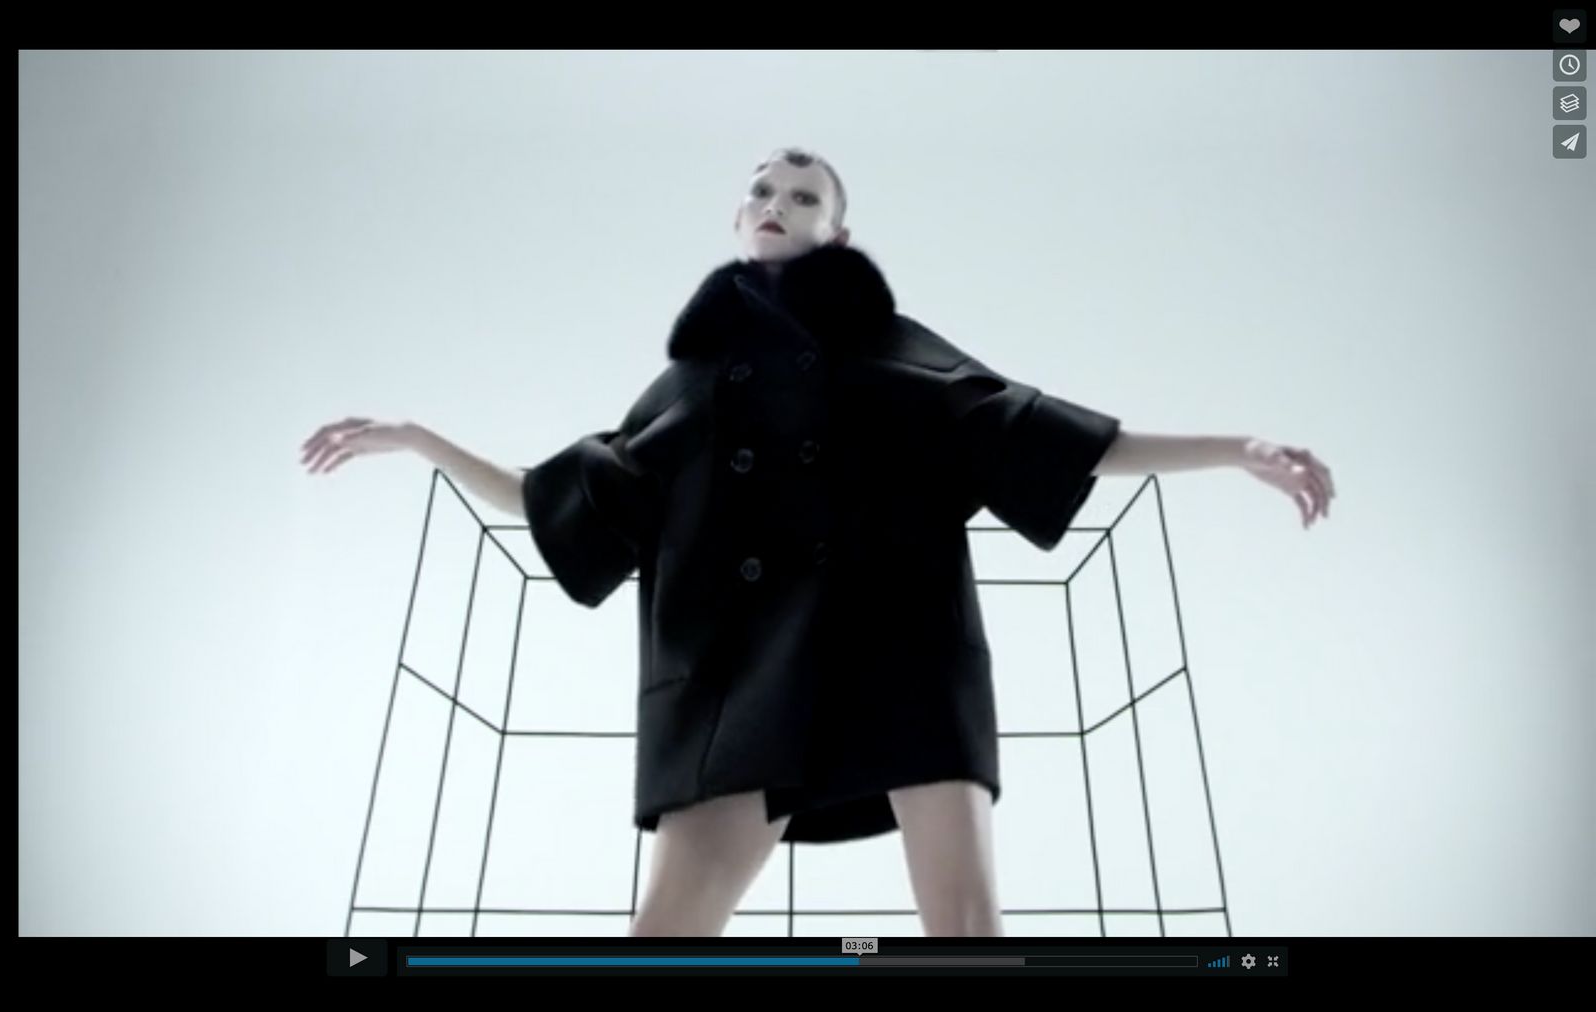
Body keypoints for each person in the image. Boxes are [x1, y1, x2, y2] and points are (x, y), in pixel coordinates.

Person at [301, 147, 1337, 937]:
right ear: (735, 217)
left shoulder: (893, 357)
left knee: (964, 933)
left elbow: (1036, 431)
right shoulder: (690, 387)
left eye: (804, 195)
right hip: (741, 685)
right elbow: (564, 501)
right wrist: (420, 442)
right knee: (658, 940)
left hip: (904, 657)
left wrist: (1234, 448)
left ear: (838, 236)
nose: (777, 204)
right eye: (763, 189)